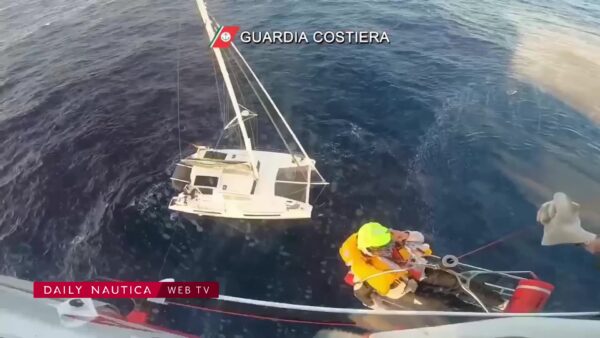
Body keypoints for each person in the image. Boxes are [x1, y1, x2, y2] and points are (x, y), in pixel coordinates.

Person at [339, 222, 506, 310]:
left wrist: (405, 235)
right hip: (406, 290)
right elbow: (362, 293)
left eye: (388, 243)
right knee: (442, 303)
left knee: (457, 280)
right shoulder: (362, 270)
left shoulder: (389, 237)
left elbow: (419, 238)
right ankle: (477, 314)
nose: (388, 248)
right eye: (382, 247)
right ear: (368, 249)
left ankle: (499, 303)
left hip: (420, 271)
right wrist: (378, 307)